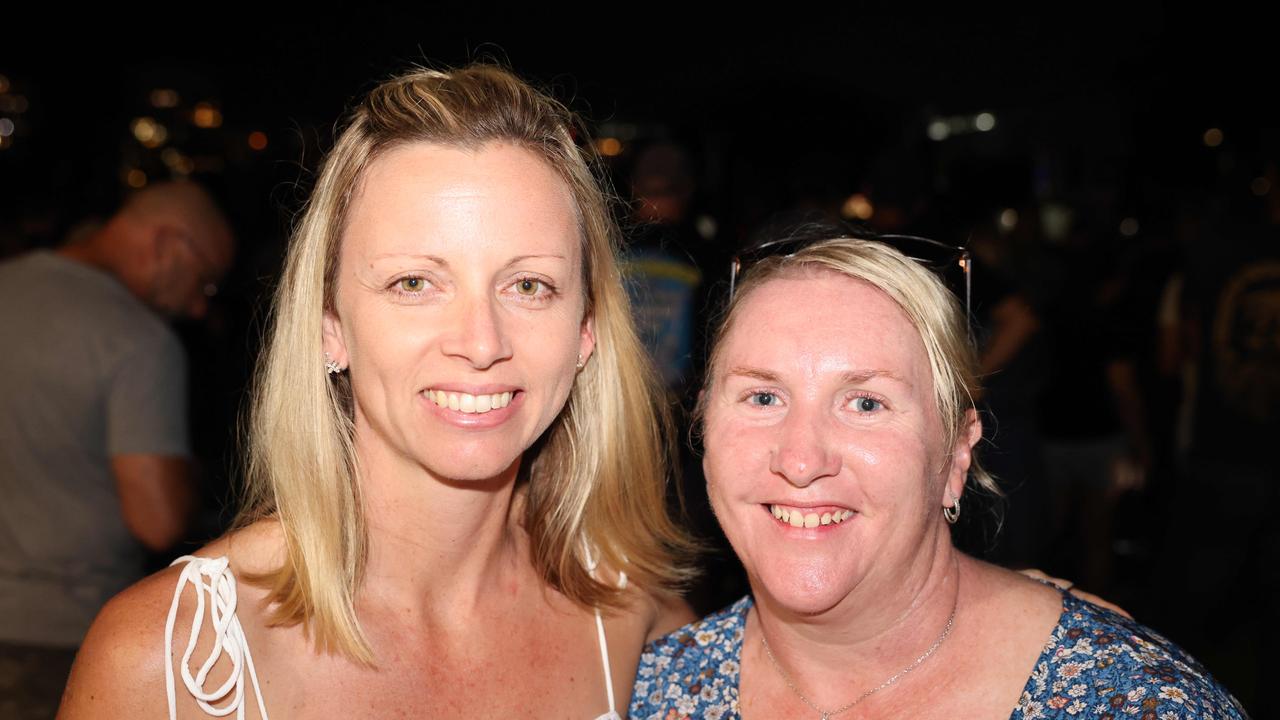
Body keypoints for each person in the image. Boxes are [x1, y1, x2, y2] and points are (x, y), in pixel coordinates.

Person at [58, 66, 696, 719]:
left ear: (585, 330)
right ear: (330, 327)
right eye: (414, 283)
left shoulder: (640, 627)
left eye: (529, 285)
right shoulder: (168, 661)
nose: (480, 343)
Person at [631, 225, 1245, 719]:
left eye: (866, 403)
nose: (800, 459)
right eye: (763, 398)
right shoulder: (657, 693)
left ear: (955, 455)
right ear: (703, 433)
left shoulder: (1135, 700)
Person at [0, 181, 233, 719]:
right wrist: (189, 476)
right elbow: (157, 519)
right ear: (167, 244)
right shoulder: (139, 342)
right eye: (207, 283)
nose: (200, 307)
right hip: (56, 640)